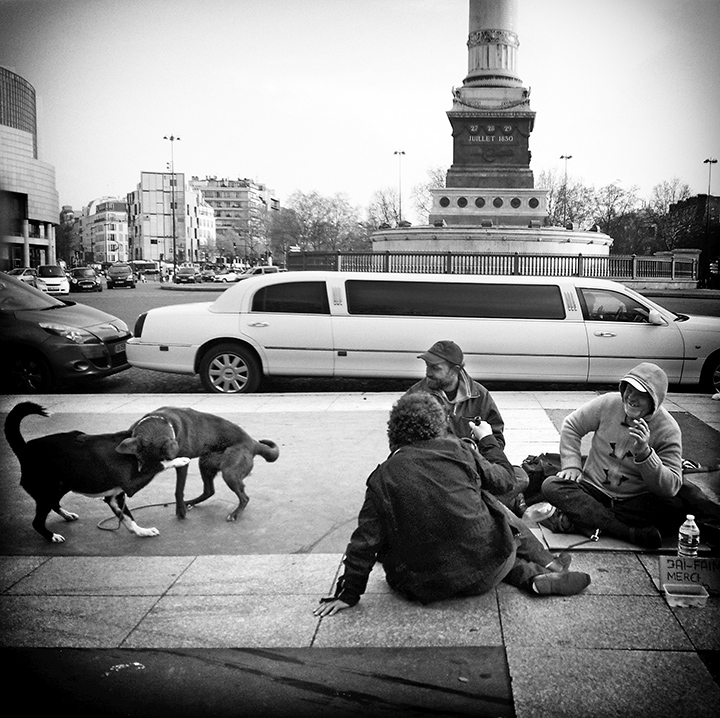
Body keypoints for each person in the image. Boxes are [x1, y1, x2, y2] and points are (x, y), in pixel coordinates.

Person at [314, 393, 591, 617]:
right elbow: (506, 481)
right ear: (437, 425)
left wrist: (348, 594)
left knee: (420, 527)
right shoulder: (459, 451)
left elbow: (364, 542)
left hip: (421, 585)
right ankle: (539, 569)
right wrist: (486, 439)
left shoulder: (381, 477)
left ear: (394, 431)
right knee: (488, 502)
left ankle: (534, 575)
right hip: (489, 572)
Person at [541, 362, 684, 548]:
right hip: (593, 489)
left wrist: (645, 454)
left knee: (676, 509)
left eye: (641, 394)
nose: (631, 397)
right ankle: (627, 532)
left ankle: (588, 520)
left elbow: (670, 487)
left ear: (655, 400)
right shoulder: (608, 403)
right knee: (551, 486)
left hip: (634, 499)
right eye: (628, 389)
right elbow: (571, 425)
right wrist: (571, 465)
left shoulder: (668, 429)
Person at [405, 340, 528, 512]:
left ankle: (467, 505)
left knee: (520, 476)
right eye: (427, 366)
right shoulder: (415, 396)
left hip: (471, 469)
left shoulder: (480, 395)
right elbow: (399, 444)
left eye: (435, 368)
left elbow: (497, 439)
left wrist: (478, 450)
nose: (428, 373)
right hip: (433, 471)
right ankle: (484, 505)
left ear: (455, 370)